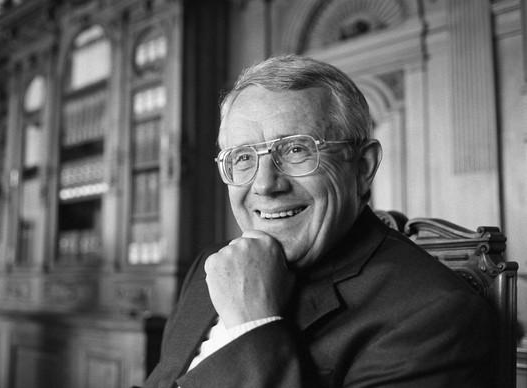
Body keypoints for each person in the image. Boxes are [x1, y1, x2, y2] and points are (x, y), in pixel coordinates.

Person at [142, 55, 496, 387]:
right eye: (243, 157)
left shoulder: (433, 316)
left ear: (362, 167)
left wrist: (251, 325)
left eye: (296, 149)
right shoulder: (212, 266)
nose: (265, 185)